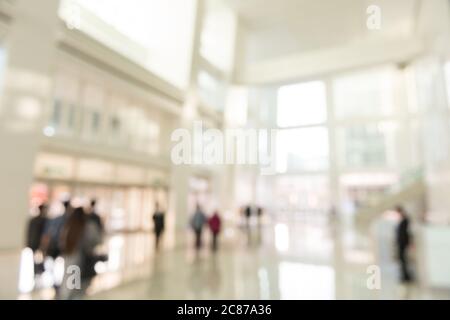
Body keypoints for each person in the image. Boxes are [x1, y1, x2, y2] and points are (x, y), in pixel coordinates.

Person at [59, 207, 102, 300]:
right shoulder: (89, 226)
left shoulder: (68, 226)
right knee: (78, 291)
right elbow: (97, 241)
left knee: (69, 288)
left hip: (71, 262)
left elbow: (62, 243)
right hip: (84, 263)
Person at [26, 203, 49, 275]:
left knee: (36, 258)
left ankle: (36, 271)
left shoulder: (33, 220)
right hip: (39, 242)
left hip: (33, 242)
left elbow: (29, 231)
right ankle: (39, 271)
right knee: (41, 258)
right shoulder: (45, 220)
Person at [395, 205, 413, 283]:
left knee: (403, 260)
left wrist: (409, 243)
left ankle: (406, 276)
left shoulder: (405, 220)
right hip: (401, 243)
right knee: (402, 259)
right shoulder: (402, 220)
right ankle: (404, 275)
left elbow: (406, 233)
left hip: (403, 243)